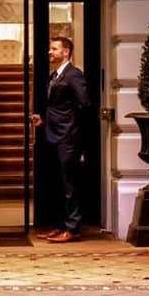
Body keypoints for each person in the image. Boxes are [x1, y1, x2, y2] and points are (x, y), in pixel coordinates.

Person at [30, 34, 89, 242]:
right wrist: (43, 119)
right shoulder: (54, 76)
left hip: (68, 137)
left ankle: (72, 228)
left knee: (69, 184)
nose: (50, 52)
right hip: (52, 134)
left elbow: (83, 106)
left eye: (54, 49)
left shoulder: (74, 75)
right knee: (55, 183)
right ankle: (58, 224)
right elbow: (56, 106)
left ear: (65, 52)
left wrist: (75, 134)